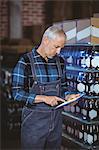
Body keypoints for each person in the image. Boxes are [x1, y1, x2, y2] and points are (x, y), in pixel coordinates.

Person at [12, 26, 79, 150]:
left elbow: (63, 87)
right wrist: (44, 98)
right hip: (34, 125)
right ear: (46, 40)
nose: (59, 52)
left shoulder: (60, 62)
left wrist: (68, 95)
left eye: (61, 48)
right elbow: (17, 93)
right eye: (56, 47)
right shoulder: (25, 62)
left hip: (56, 123)